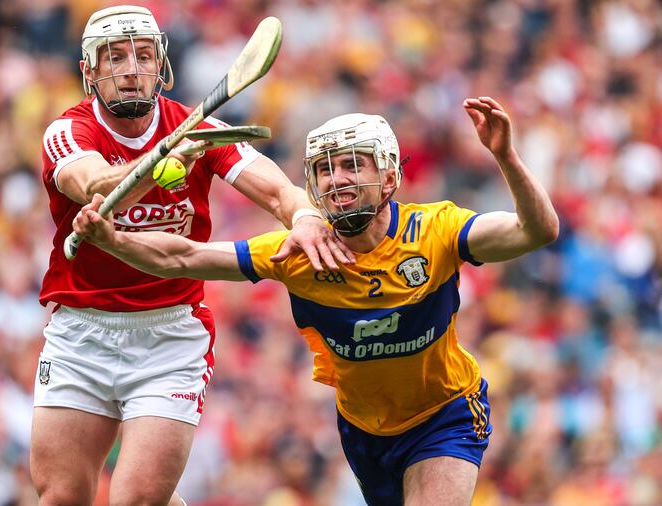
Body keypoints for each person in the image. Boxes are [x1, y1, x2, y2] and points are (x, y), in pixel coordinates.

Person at [71, 97, 559, 505]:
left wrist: (506, 157)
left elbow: (535, 231)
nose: (337, 179)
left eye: (352, 165)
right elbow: (183, 257)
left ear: (388, 177)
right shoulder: (298, 254)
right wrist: (112, 239)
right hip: (363, 430)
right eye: (325, 170)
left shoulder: (437, 231)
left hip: (445, 414)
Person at [33, 6, 352, 506]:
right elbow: (92, 183)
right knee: (60, 496)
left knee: (135, 500)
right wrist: (158, 161)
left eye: (142, 55)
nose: (130, 68)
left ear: (160, 64)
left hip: (169, 335)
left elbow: (276, 191)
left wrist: (305, 216)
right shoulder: (68, 133)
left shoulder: (196, 130)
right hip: (81, 332)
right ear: (88, 71)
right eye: (114, 57)